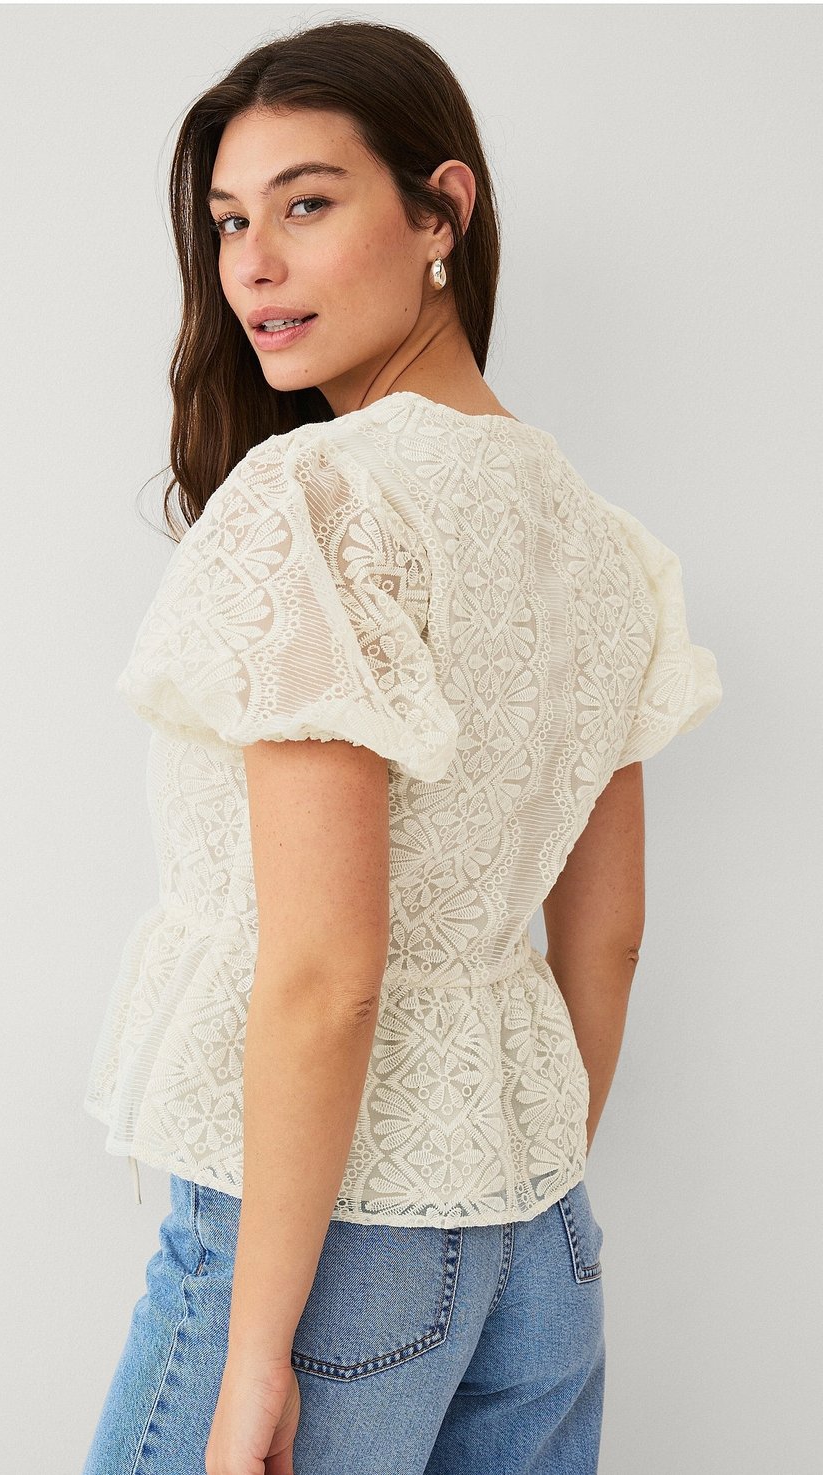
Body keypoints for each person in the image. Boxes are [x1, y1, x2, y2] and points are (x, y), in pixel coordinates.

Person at [80, 19, 722, 1475]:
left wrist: (258, 1353)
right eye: (230, 223)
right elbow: (607, 938)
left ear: (443, 211)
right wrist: (511, 1183)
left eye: (307, 204)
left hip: (324, 1253)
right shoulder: (598, 540)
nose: (254, 266)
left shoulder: (317, 500)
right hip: (540, 1243)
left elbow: (325, 972)